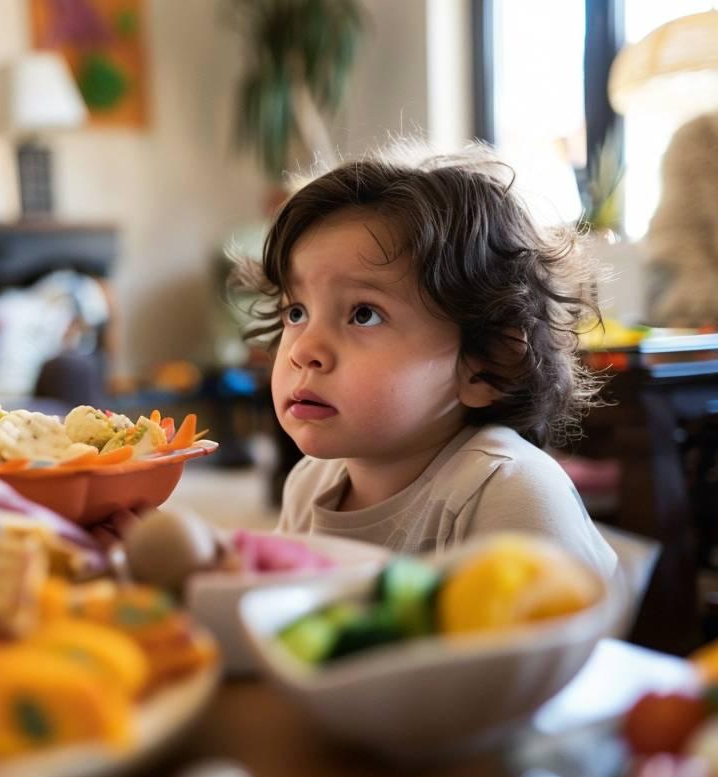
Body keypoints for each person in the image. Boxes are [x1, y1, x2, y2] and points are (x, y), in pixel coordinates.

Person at [233, 146, 616, 579]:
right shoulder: (310, 482)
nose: (304, 350)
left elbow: (559, 640)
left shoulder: (509, 491)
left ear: (486, 362)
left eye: (364, 314)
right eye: (296, 312)